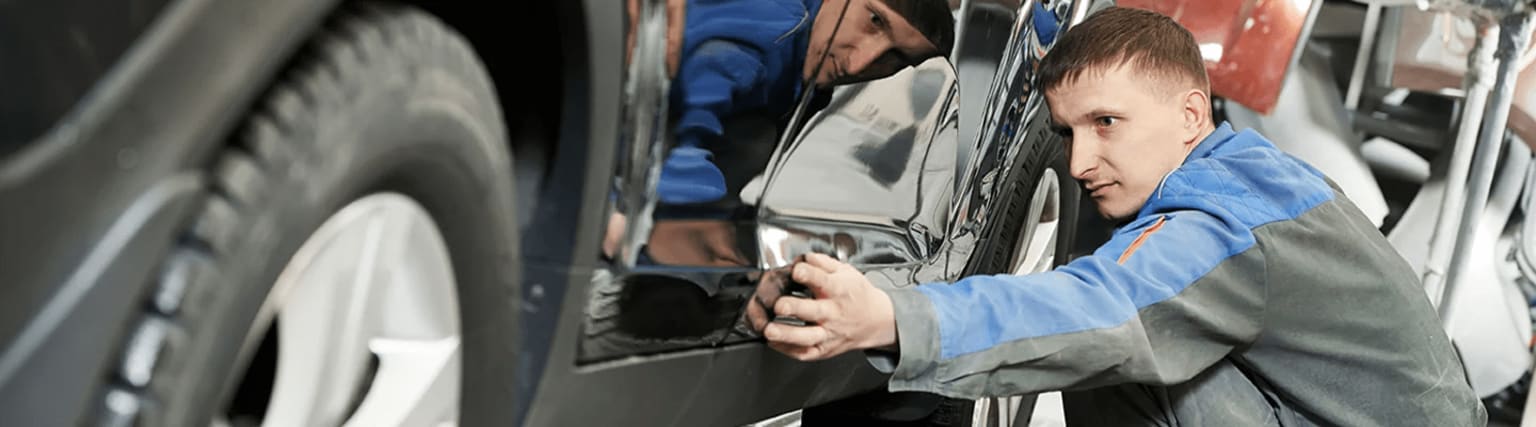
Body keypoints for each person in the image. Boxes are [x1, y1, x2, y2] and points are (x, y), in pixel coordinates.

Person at [748, 7, 1487, 425]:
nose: (1077, 163)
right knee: (1124, 340)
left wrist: (891, 318)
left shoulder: (1225, 219)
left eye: (1107, 122)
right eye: (1069, 132)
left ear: (1192, 113)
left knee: (1108, 343)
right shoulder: (1255, 172)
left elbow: (1098, 305)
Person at [655, 0, 955, 205]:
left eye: (898, 57)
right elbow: (685, 141)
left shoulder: (808, 71)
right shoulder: (770, 30)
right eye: (874, 20)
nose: (858, 64)